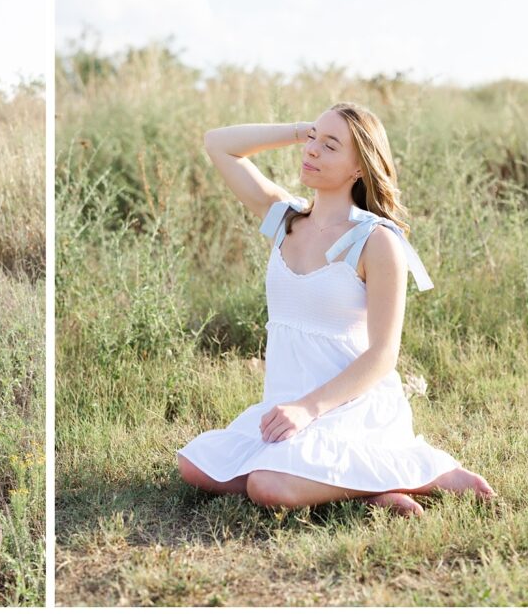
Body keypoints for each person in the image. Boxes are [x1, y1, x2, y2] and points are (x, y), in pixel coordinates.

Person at [176, 103, 495, 517]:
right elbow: (217, 144)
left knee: (265, 485)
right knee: (196, 465)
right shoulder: (285, 219)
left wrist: (309, 409)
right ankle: (369, 489)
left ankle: (422, 474)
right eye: (311, 141)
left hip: (348, 409)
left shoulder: (377, 242)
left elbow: (383, 357)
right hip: (286, 406)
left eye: (330, 147)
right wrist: (299, 130)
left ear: (359, 168)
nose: (311, 151)